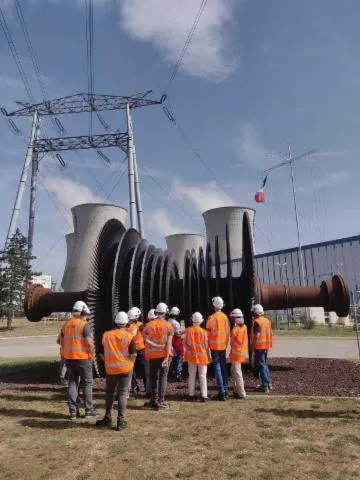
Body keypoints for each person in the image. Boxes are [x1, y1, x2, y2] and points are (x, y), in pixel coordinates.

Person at [96, 311, 136, 430]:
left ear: (115, 321)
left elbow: (100, 353)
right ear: (126, 323)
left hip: (111, 370)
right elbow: (133, 355)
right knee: (122, 394)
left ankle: (107, 418)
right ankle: (120, 421)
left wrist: (109, 362)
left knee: (109, 393)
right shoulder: (129, 336)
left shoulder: (106, 335)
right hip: (125, 369)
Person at [59, 301, 96, 420]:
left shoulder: (65, 324)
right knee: (87, 384)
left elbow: (59, 341)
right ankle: (89, 411)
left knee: (72, 383)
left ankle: (73, 412)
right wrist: (92, 355)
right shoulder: (84, 325)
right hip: (83, 358)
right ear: (83, 312)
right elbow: (89, 343)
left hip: (69, 359)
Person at [143, 302, 174, 409]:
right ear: (166, 313)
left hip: (152, 355)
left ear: (156, 312)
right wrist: (166, 358)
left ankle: (153, 399)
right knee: (162, 377)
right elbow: (169, 344)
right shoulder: (169, 325)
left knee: (153, 377)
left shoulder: (148, 325)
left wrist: (156, 345)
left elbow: (145, 340)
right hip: (165, 355)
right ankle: (161, 400)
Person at [206, 296, 230, 401]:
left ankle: (222, 392)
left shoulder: (211, 318)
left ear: (214, 305)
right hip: (223, 346)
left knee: (217, 368)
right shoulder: (225, 317)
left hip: (214, 347)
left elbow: (207, 333)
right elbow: (228, 331)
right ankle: (225, 390)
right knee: (223, 367)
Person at [184, 312, 211, 402]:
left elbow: (185, 344)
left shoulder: (187, 330)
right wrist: (209, 356)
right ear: (201, 321)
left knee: (191, 375)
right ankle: (204, 396)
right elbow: (207, 346)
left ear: (192, 320)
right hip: (202, 357)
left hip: (191, 356)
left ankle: (191, 395)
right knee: (202, 376)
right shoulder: (204, 332)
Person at [250, 304, 273, 393]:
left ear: (256, 312)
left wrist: (253, 346)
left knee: (261, 365)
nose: (253, 314)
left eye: (253, 312)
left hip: (259, 346)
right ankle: (269, 383)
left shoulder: (257, 322)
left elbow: (257, 335)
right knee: (264, 364)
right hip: (266, 345)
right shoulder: (267, 321)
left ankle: (265, 385)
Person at [127, 306, 147, 397]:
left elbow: (145, 336)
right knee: (132, 369)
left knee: (143, 369)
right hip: (134, 350)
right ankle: (135, 386)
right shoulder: (128, 326)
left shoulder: (140, 325)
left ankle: (146, 387)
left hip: (140, 350)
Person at [229, 308, 248, 399]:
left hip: (236, 354)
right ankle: (236, 390)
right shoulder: (244, 327)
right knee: (234, 371)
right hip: (241, 353)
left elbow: (231, 342)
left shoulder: (235, 330)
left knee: (237, 373)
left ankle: (242, 393)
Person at [169, 309, 184, 381]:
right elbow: (178, 335)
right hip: (177, 342)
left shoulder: (167, 321)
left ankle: (171, 374)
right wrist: (183, 332)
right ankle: (177, 374)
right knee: (180, 358)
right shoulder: (176, 323)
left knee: (172, 359)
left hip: (170, 342)